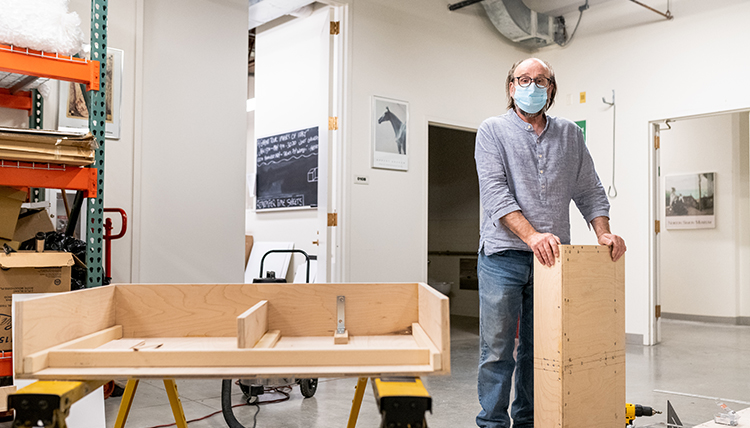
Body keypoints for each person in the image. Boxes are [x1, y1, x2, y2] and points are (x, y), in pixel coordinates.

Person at [474, 58, 626, 428]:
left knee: (538, 350)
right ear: (511, 87)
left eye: (541, 80)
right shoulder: (492, 131)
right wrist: (532, 235)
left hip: (553, 262)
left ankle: (528, 420)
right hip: (502, 257)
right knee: (497, 350)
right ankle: (493, 423)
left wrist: (602, 231)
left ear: (551, 89)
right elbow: (495, 193)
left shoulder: (571, 134)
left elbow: (589, 189)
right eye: (523, 79)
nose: (531, 86)